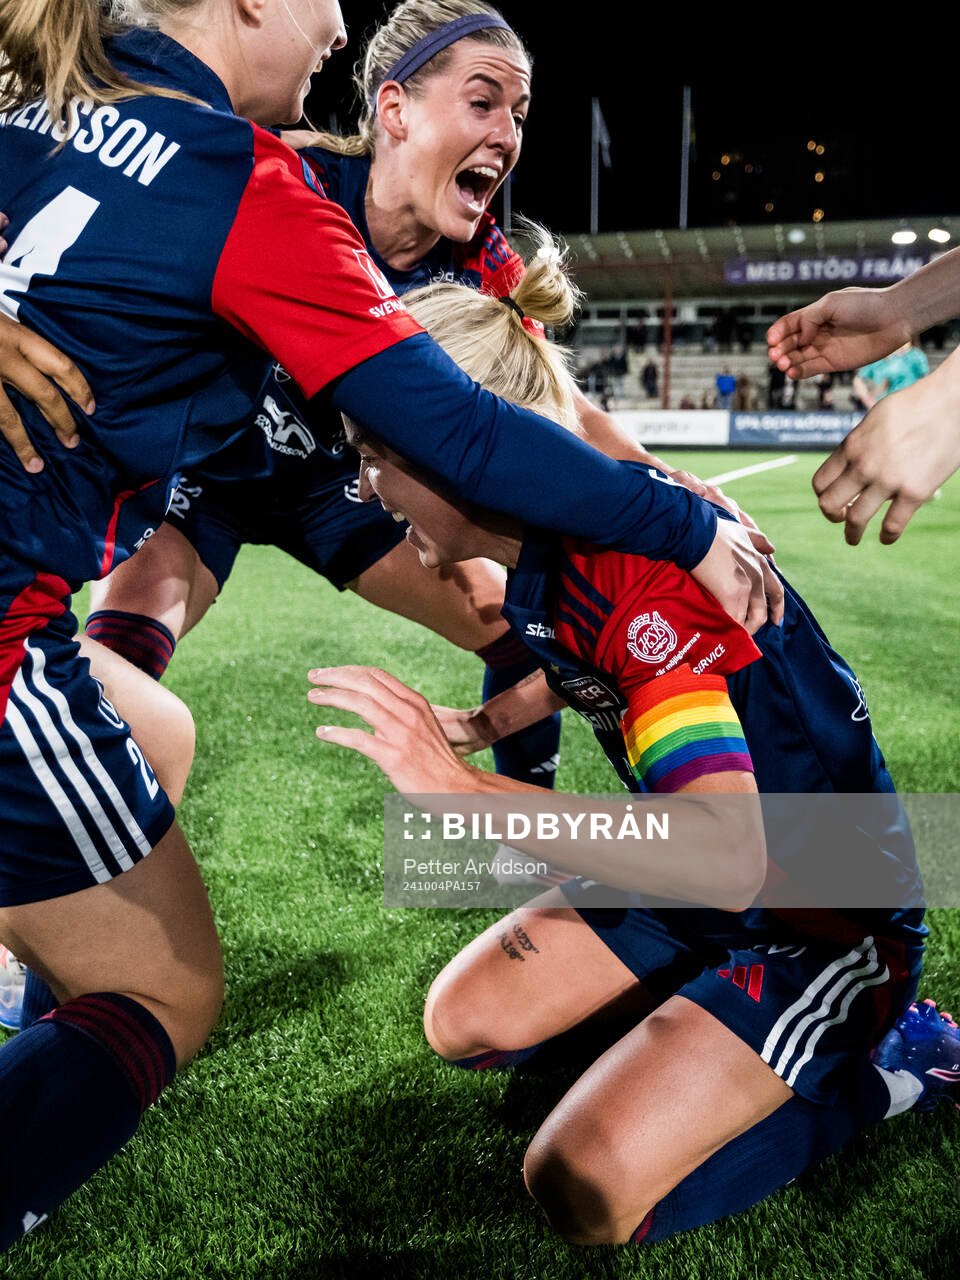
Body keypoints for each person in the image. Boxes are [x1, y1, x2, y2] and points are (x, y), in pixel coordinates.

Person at [0, 0, 781, 1250]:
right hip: (228, 464)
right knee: (140, 695)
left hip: (340, 484)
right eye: (486, 97)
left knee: (527, 637)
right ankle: (60, 945)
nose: (508, 130)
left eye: (521, 108)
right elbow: (467, 434)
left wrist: (667, 506)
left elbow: (526, 414)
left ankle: (672, 888)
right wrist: (670, 531)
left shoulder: (468, 285)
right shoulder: (271, 177)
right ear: (393, 109)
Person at [306, 231, 957, 1247]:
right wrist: (484, 724)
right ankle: (708, 1023)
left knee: (582, 1189)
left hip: (818, 912)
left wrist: (463, 793)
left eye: (377, 456)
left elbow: (725, 856)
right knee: (462, 1022)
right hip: (704, 866)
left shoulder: (636, 577)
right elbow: (588, 663)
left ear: (457, 454)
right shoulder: (569, 531)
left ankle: (883, 1069)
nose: (365, 486)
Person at [766, 252, 960, 544]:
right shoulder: (884, 361)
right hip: (893, 413)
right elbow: (864, 381)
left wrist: (948, 399)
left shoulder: (916, 359)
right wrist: (897, 307)